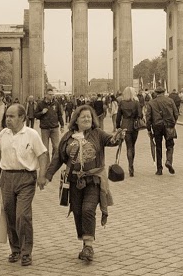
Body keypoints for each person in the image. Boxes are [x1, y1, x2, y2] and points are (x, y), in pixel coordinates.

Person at [43, 106, 124, 262]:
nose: (87, 119)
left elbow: (111, 140)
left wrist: (118, 137)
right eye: (83, 117)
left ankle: (88, 246)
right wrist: (47, 176)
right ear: (76, 120)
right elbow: (58, 158)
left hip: (93, 180)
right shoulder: (68, 137)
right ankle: (84, 243)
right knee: (78, 212)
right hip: (73, 181)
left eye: (89, 117)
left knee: (88, 210)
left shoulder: (98, 134)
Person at [0, 104, 49, 266]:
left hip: (26, 178)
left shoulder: (31, 135)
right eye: (7, 116)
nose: (8, 119)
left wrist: (42, 175)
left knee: (22, 215)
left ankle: (26, 252)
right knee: (10, 214)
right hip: (7, 177)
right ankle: (15, 249)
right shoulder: (3, 135)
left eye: (12, 116)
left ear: (22, 118)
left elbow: (43, 154)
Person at [115, 87, 144, 175]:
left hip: (125, 126)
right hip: (134, 126)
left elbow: (118, 116)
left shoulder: (121, 103)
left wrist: (118, 126)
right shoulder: (136, 103)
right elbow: (140, 115)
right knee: (133, 145)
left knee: (128, 146)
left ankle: (130, 166)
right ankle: (132, 164)